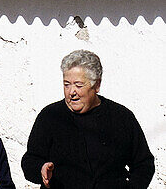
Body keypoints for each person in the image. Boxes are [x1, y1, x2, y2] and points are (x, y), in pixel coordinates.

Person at [21, 49, 155, 189]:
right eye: (67, 84)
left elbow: (144, 163)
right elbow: (30, 161)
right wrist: (40, 169)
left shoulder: (121, 117)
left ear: (96, 85)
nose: (72, 92)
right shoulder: (50, 116)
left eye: (78, 85)